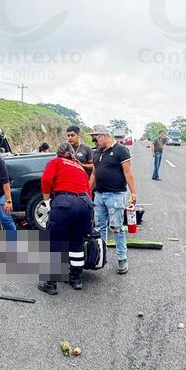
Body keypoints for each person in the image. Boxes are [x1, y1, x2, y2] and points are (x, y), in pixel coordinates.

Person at [38, 142, 94, 295]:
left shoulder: (55, 162)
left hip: (65, 202)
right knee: (77, 242)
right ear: (71, 153)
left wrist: (47, 200)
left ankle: (51, 283)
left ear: (58, 153)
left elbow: (46, 180)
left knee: (55, 243)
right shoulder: (79, 166)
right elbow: (88, 190)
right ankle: (76, 278)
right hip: (85, 204)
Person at [89, 124, 138, 274]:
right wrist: (87, 191)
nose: (94, 142)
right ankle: (100, 257)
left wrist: (133, 193)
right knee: (100, 228)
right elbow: (94, 174)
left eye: (95, 138)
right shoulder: (97, 153)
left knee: (117, 228)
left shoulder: (121, 150)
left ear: (104, 135)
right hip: (99, 195)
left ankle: (122, 259)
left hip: (115, 195)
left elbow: (128, 173)